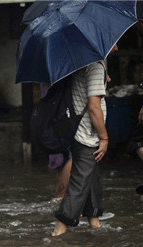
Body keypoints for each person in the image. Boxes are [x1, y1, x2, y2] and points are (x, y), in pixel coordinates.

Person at [52, 45, 117, 236]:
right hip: (87, 133)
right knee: (80, 182)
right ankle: (59, 231)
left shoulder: (80, 62)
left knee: (91, 177)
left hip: (76, 129)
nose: (117, 46)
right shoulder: (95, 66)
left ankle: (94, 222)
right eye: (115, 42)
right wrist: (104, 137)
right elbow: (94, 108)